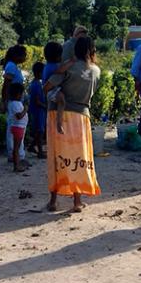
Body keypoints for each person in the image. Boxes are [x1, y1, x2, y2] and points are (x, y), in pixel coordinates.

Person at [44, 36, 101, 213]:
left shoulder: (67, 67)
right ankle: (77, 201)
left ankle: (53, 201)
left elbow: (46, 87)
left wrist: (61, 70)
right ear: (92, 50)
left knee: (56, 156)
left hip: (57, 115)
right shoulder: (96, 71)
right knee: (78, 157)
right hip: (81, 117)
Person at [1, 45, 28, 163]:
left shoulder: (13, 66)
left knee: (17, 129)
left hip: (17, 101)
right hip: (13, 102)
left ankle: (17, 155)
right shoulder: (11, 66)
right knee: (14, 130)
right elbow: (6, 85)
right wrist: (5, 101)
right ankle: (14, 155)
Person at [7, 83, 29, 172]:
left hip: (19, 127)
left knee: (17, 147)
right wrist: (25, 109)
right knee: (17, 147)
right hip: (18, 127)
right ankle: (16, 166)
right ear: (18, 94)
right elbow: (19, 116)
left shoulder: (14, 103)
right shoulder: (15, 104)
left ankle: (17, 164)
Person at [28, 61, 47, 159]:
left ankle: (32, 147)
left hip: (37, 111)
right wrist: (46, 107)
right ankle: (40, 152)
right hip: (38, 111)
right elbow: (37, 101)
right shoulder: (36, 85)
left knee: (39, 131)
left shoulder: (35, 84)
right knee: (40, 132)